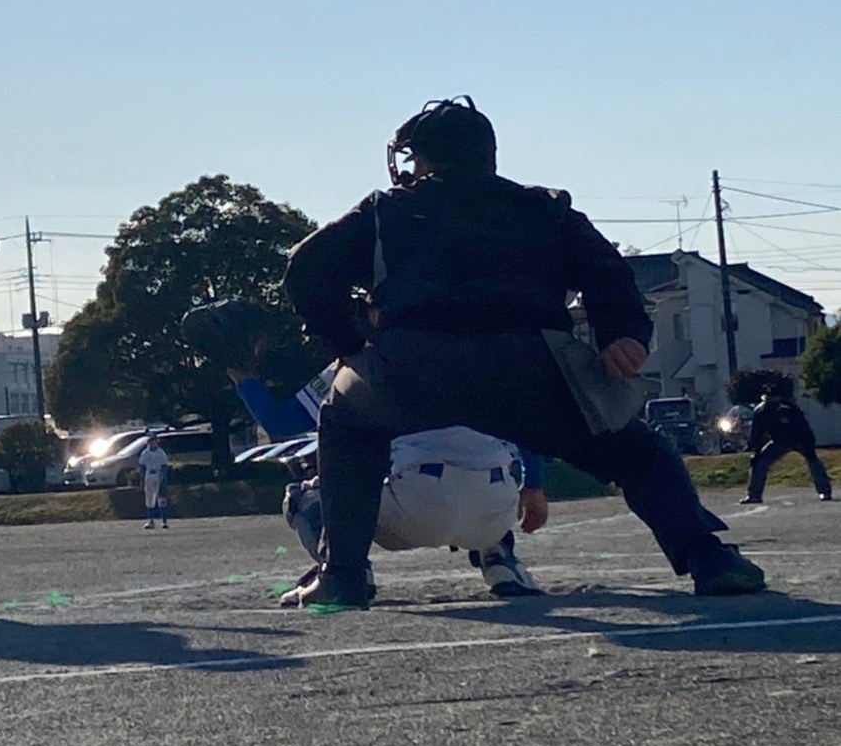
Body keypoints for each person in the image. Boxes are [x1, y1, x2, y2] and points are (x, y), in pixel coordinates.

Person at [280, 95, 767, 611]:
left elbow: (305, 267)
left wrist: (351, 342)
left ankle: (343, 575)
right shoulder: (544, 207)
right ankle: (708, 557)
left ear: (421, 159)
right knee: (633, 448)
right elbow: (608, 270)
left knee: (347, 421)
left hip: (413, 361)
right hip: (532, 361)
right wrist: (621, 333)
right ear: (489, 155)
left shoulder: (386, 210)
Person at [180, 300, 545, 598]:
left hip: (415, 507)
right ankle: (501, 562)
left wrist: (243, 376)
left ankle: (345, 572)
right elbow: (528, 428)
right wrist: (535, 487)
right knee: (481, 466)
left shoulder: (360, 361)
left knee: (303, 498)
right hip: (494, 512)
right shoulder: (482, 351)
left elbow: (283, 423)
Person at [741, 380, 833, 503]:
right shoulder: (761, 411)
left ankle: (825, 491)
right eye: (768, 397)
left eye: (774, 397)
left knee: (813, 461)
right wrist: (755, 450)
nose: (771, 400)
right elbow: (757, 432)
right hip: (779, 440)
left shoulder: (789, 408)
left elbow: (803, 427)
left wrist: (808, 444)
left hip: (799, 439)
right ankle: (754, 495)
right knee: (759, 462)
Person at [138, 433, 171, 528]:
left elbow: (164, 466)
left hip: (158, 474)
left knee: (161, 498)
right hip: (149, 475)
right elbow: (142, 467)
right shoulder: (145, 453)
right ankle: (150, 520)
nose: (152, 443)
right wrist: (142, 479)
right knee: (149, 499)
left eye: (153, 441)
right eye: (150, 441)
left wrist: (163, 478)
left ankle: (164, 521)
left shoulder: (161, 453)